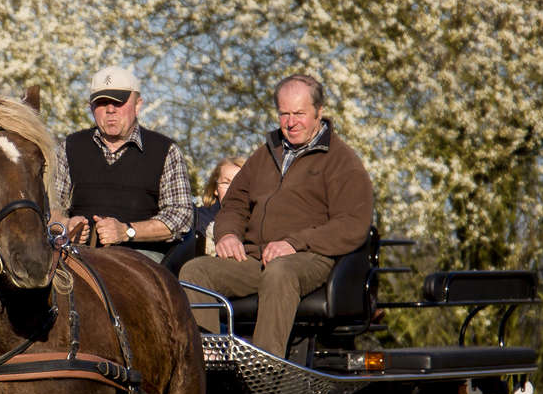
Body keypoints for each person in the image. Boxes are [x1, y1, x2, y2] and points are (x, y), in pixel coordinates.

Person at [179, 74, 373, 358]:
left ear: (319, 112)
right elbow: (234, 203)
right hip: (256, 257)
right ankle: (209, 361)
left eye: (299, 113)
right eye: (284, 114)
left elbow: (353, 224)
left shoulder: (342, 162)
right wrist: (228, 233)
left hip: (311, 256)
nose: (291, 122)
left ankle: (263, 367)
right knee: (195, 272)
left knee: (279, 272)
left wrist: (295, 242)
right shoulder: (266, 154)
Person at [52, 65, 193, 264]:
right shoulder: (69, 147)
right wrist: (65, 225)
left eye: (118, 102)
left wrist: (127, 231)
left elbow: (181, 217)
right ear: (91, 108)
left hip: (141, 257)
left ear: (137, 105)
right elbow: (50, 208)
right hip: (77, 254)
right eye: (101, 103)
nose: (110, 110)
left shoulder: (165, 151)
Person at [193, 156, 246, 257]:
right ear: (215, 189)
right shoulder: (197, 218)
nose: (232, 189)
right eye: (226, 182)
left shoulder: (257, 221)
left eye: (239, 183)